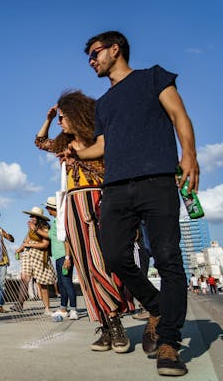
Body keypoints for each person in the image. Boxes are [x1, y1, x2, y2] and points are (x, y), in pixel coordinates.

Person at [74, 30, 198, 376]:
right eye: (89, 56)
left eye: (96, 53)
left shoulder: (153, 77)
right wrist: (78, 153)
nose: (92, 60)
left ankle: (169, 343)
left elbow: (178, 115)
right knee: (113, 256)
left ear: (116, 49)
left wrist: (189, 154)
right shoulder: (104, 103)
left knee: (169, 257)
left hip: (157, 181)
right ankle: (158, 306)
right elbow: (103, 145)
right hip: (115, 188)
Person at [35, 90, 131, 352]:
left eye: (63, 117)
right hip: (72, 206)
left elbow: (104, 171)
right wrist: (48, 117)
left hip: (98, 202)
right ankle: (103, 324)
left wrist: (76, 156)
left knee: (102, 262)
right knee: (85, 269)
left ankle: (115, 320)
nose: (59, 122)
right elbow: (39, 141)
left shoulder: (96, 140)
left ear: (77, 116)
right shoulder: (64, 141)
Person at [14, 207, 57, 315]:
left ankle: (47, 308)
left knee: (42, 284)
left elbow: (45, 244)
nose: (31, 218)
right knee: (24, 277)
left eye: (34, 216)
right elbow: (26, 241)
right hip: (28, 255)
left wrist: (31, 244)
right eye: (31, 216)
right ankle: (19, 304)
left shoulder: (45, 227)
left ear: (39, 218)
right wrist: (19, 250)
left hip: (39, 256)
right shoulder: (31, 228)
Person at [44, 197, 78, 320]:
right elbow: (49, 236)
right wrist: (35, 229)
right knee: (62, 283)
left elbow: (66, 240)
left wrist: (68, 258)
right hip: (59, 256)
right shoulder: (55, 221)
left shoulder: (61, 220)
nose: (46, 209)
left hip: (64, 255)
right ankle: (63, 308)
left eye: (47, 207)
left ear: (51, 208)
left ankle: (73, 309)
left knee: (67, 282)